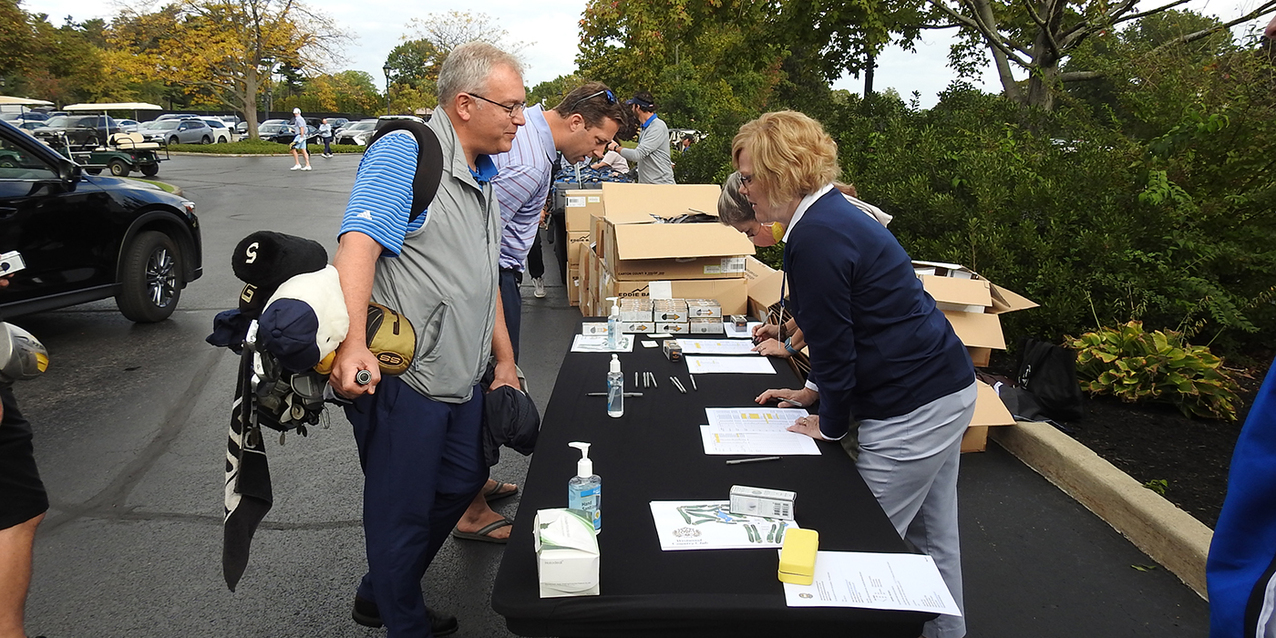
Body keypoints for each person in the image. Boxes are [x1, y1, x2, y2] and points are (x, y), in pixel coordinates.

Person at [731, 110, 976, 638]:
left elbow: (837, 344)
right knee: (935, 540)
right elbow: (839, 325)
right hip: (943, 387)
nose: (745, 190)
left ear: (780, 171)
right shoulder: (832, 216)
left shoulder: (814, 235)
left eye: (749, 178)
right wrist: (813, 391)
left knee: (860, 543)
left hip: (911, 402)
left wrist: (832, 420)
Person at [330, 41, 524, 636]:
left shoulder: (482, 172)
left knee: (465, 479)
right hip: (406, 379)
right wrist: (353, 344)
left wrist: (506, 361)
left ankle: (380, 591)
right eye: (511, 106)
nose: (520, 119)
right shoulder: (405, 152)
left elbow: (482, 273)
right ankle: (402, 620)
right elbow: (357, 244)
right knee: (401, 514)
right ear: (465, 105)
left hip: (462, 379)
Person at [451, 82, 623, 544]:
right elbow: (475, 243)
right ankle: (469, 509)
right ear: (575, 122)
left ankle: (474, 480)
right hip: (491, 279)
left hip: (496, 276)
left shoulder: (529, 144)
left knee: (488, 384)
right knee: (493, 383)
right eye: (599, 140)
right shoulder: (528, 165)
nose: (598, 152)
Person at [603, 91, 674, 184]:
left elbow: (637, 155)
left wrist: (616, 148)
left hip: (661, 186)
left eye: (632, 106)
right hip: (649, 186)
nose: (631, 109)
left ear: (638, 107)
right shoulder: (646, 127)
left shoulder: (657, 127)